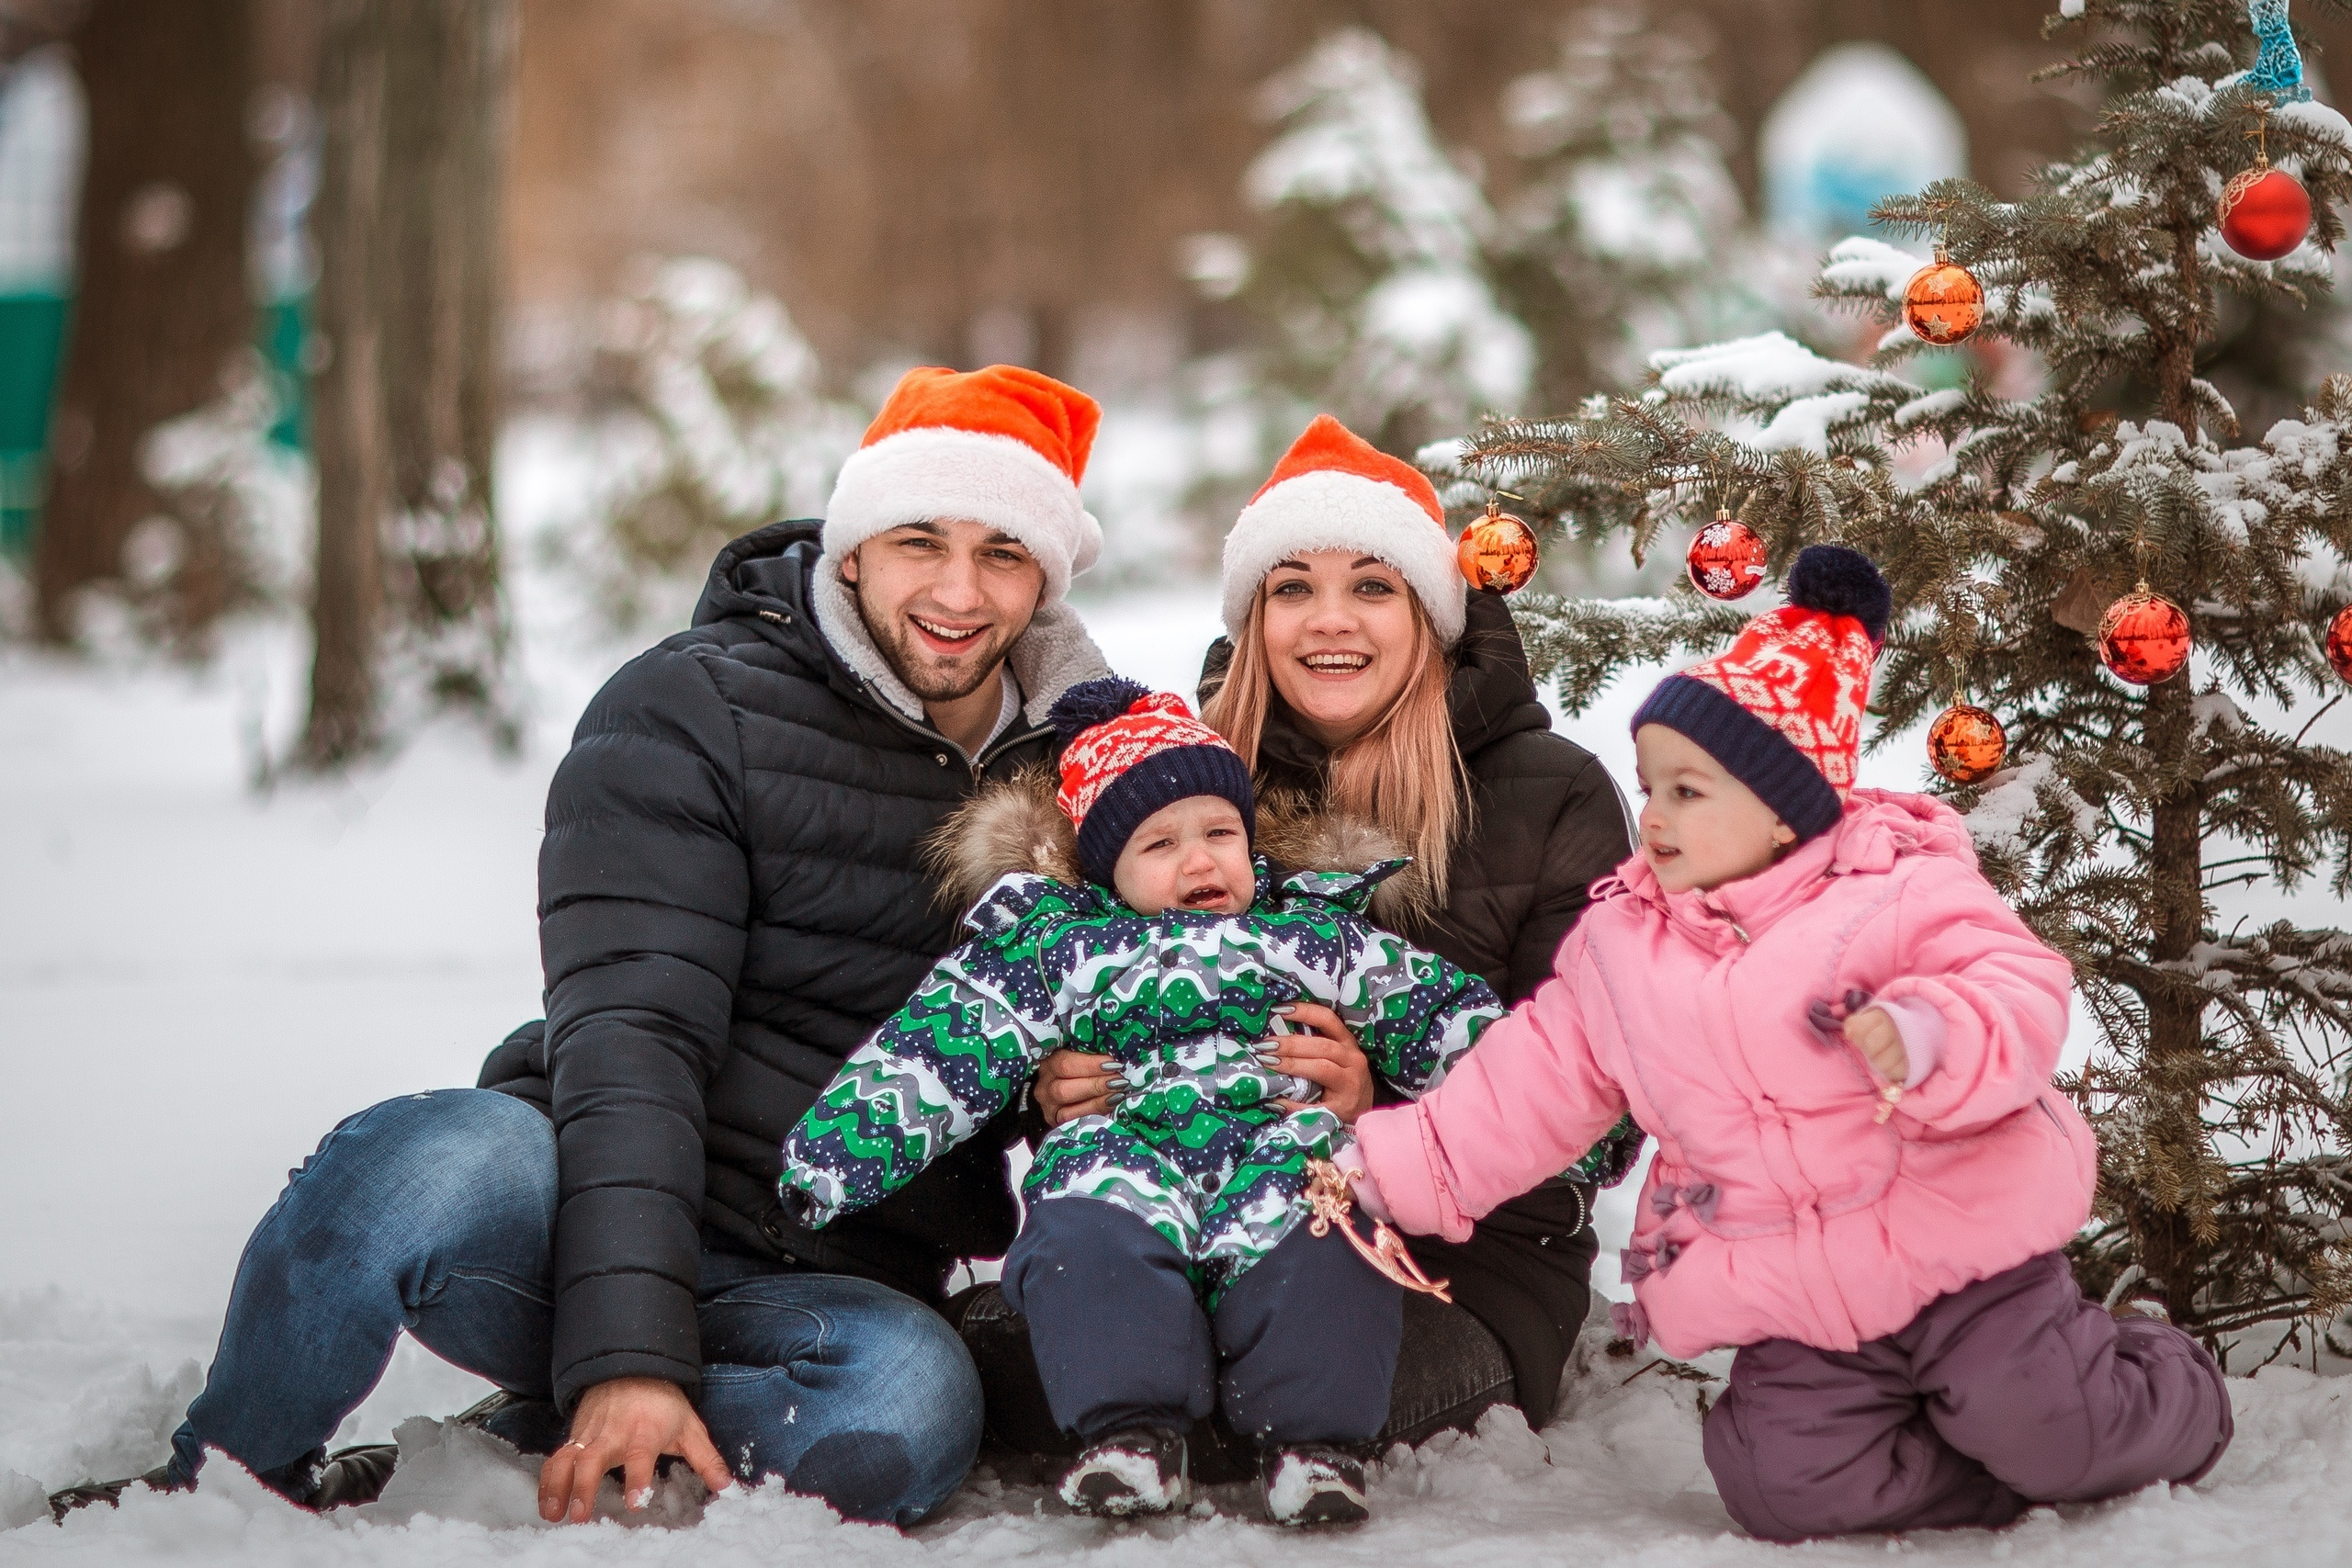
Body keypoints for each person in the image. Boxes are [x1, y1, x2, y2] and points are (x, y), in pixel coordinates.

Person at [48, 366, 1116, 1529]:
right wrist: (626, 1356)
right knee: (421, 1167)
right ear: (852, 548)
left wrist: (1083, 1088)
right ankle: (223, 1480)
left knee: (906, 1408)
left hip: (830, 1273)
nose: (958, 590)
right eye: (920, 540)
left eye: (1003, 554)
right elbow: (634, 1034)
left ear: (1045, 579)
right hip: (574, 1195)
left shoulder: (1092, 774)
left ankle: (528, 1434)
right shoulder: (694, 709)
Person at [1347, 546, 2235, 1541]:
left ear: (1782, 809)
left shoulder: (1899, 890)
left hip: (1961, 1258)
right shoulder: (1621, 945)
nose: (1653, 817)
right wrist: (1403, 1165)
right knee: (1775, 1484)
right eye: (1649, 789)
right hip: (1795, 1295)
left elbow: (2013, 986)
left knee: (2043, 1421)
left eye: (1688, 792)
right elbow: (1532, 1079)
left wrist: (1929, 1034)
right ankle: (1993, 1480)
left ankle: (2166, 1382)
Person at [989, 414, 1641, 1459]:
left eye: (1373, 586)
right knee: (1015, 1380)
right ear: (1254, 617)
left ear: (1430, 613)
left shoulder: (1549, 791)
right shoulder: (1183, 780)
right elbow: (1071, 976)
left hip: (1453, 1259)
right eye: (1291, 587)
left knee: (1265, 1403)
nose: (1327, 621)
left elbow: (1604, 1115)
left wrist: (1377, 1108)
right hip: (1182, 1213)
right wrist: (1058, 1084)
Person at [780, 678, 1501, 1524]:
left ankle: (1315, 1444)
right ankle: (1131, 1434)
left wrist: (1572, 1112)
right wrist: (834, 1154)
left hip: (1277, 1144)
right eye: (1160, 844)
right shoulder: (1058, 947)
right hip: (1123, 1147)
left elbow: (1440, 1016)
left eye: (1220, 833)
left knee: (1330, 1224)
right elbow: (946, 1041)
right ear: (1105, 868)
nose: (1200, 860)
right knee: (1083, 1231)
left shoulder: (1313, 933)